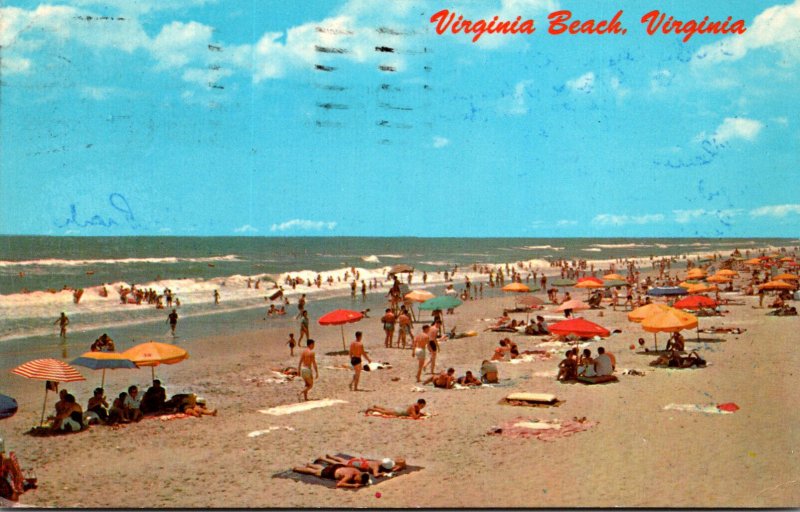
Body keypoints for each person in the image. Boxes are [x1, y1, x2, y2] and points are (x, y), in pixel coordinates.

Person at [318, 454, 407, 477]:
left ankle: (330, 456)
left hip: (359, 461)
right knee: (339, 464)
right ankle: (324, 459)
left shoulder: (379, 461)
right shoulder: (376, 467)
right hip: (356, 464)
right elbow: (376, 475)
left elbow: (393, 463)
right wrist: (382, 473)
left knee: (343, 460)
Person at [292, 463, 370, 488]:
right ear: (359, 476)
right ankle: (296, 469)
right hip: (331, 472)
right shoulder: (349, 476)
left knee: (322, 469)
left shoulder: (358, 471)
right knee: (315, 472)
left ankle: (309, 464)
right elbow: (339, 484)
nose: (356, 481)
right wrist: (354, 486)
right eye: (357, 480)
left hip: (338, 467)